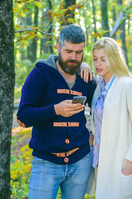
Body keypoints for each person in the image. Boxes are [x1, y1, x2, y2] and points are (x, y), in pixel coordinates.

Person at [16, 24, 96, 199]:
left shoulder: (87, 78)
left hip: (80, 161)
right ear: (58, 47)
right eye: (68, 51)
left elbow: (102, 109)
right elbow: (23, 116)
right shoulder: (40, 74)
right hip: (46, 163)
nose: (73, 57)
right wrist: (56, 110)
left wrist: (94, 134)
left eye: (79, 52)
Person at [86, 37, 132, 199]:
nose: (98, 64)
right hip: (99, 162)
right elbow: (97, 120)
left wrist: (130, 164)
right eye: (95, 59)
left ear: (113, 59)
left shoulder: (128, 86)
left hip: (120, 164)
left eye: (103, 60)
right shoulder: (99, 87)